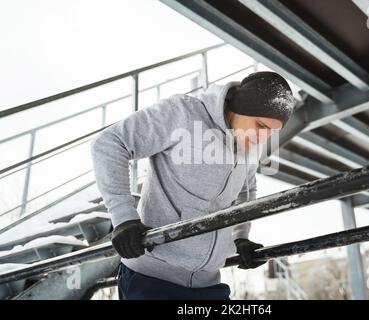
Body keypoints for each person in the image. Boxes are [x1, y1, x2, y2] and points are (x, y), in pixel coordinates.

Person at [90, 71, 295, 300]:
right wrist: (124, 217)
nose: (263, 138)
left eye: (272, 132)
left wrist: (241, 237)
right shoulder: (184, 114)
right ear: (241, 108)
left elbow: (246, 192)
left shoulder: (248, 148)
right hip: (152, 279)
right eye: (260, 125)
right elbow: (110, 143)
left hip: (209, 283)